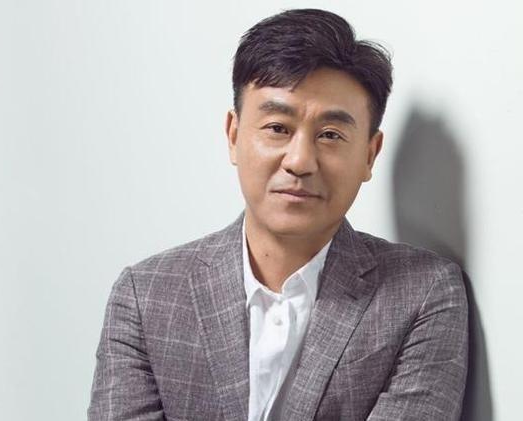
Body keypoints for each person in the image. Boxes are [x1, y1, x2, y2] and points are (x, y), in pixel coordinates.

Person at [88, 8, 468, 421]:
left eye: (330, 135)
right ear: (234, 135)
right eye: (277, 128)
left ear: (369, 155)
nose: (300, 160)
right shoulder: (146, 296)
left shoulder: (424, 294)